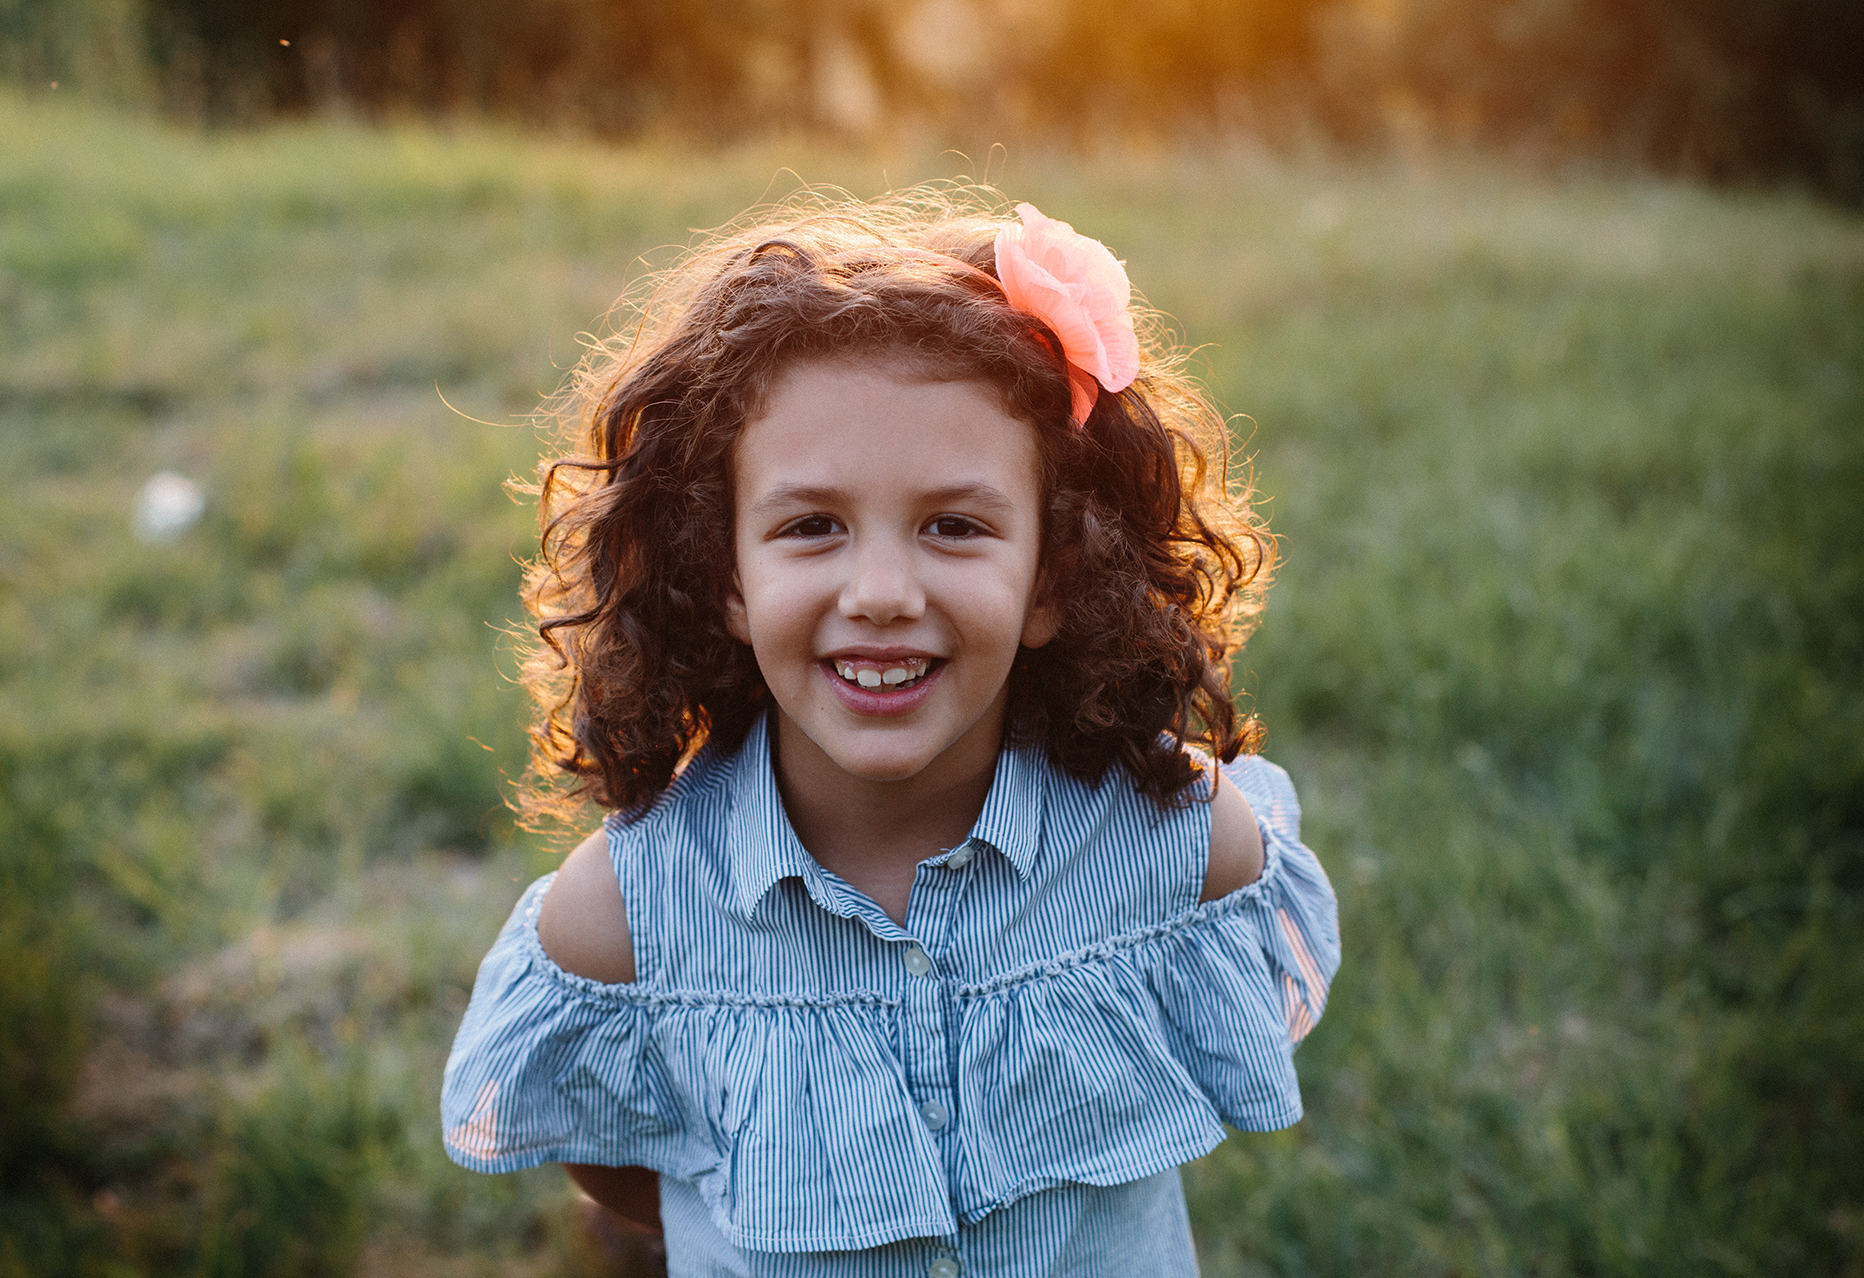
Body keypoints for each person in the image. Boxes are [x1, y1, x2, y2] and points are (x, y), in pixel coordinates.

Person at [442, 189, 1339, 1277]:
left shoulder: (1177, 840)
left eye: (954, 527)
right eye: (812, 527)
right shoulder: (621, 920)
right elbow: (623, 1165)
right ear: (724, 575)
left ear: (1053, 578)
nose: (878, 592)